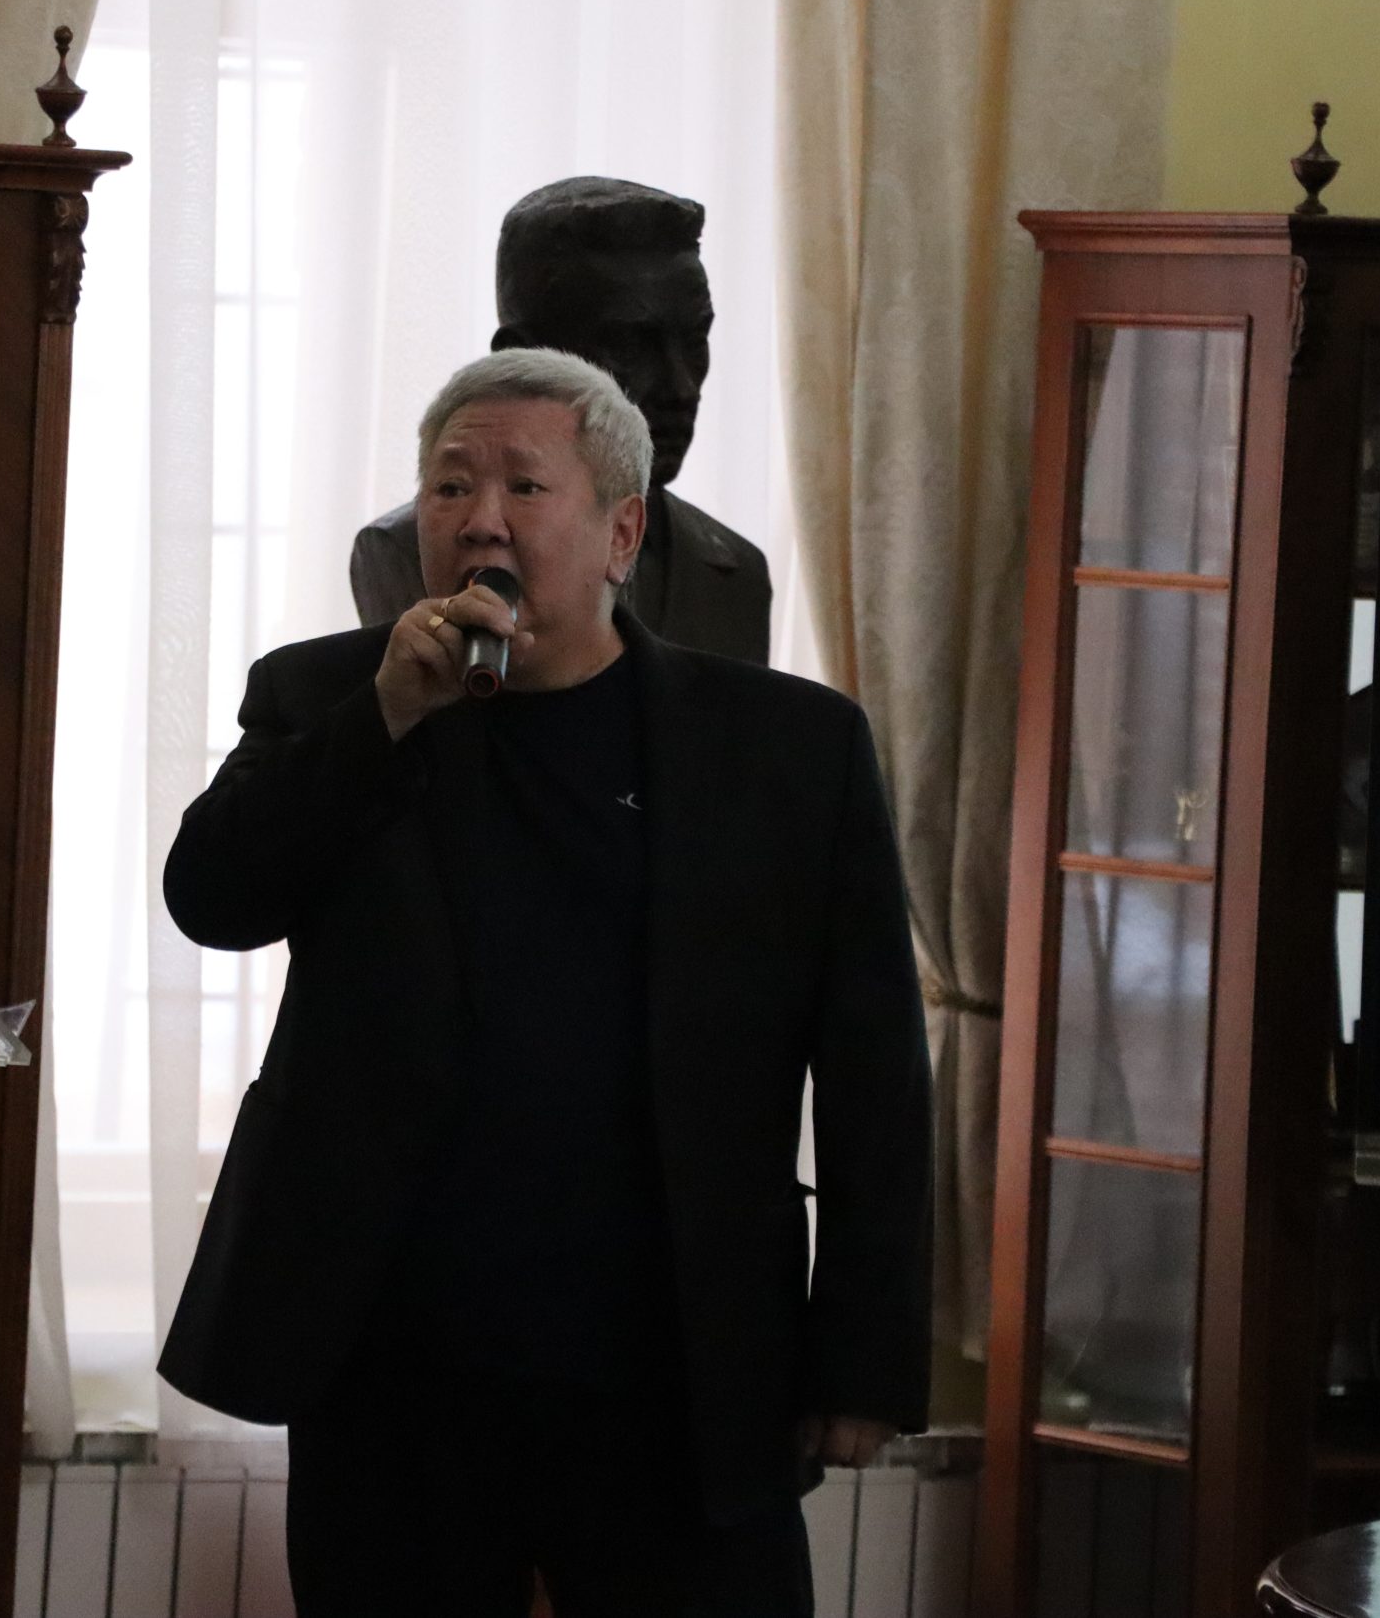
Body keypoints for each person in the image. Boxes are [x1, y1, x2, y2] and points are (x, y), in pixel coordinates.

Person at [162, 350, 930, 1617]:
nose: (481, 520)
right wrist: (379, 719)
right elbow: (213, 900)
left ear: (622, 531)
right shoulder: (326, 697)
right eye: (449, 486)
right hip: (394, 1357)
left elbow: (873, 1075)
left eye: (524, 486)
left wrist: (863, 1355)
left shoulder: (787, 750)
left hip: (676, 1357)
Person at [350, 176, 773, 663]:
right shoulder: (405, 551)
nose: (681, 387)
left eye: (694, 340)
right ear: (525, 357)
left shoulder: (734, 571)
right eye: (629, 346)